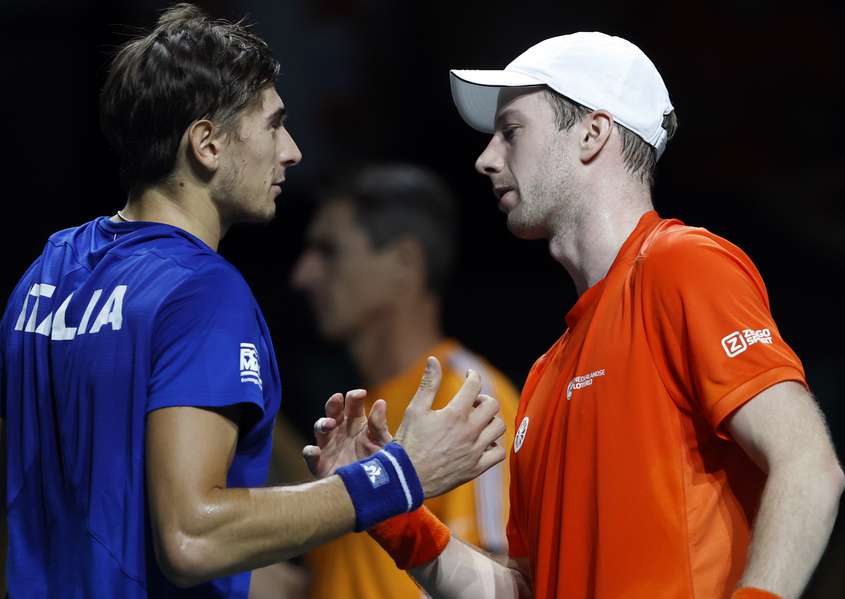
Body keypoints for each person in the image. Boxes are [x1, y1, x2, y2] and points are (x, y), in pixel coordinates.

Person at [305, 32, 845, 599]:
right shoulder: (546, 375)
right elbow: (525, 588)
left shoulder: (681, 265)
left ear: (593, 133)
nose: (486, 159)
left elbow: (809, 467)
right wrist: (390, 512)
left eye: (511, 132)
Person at [0, 5, 505, 598]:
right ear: (207, 144)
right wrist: (394, 477)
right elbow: (193, 538)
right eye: (273, 125)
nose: (290, 150)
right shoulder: (201, 292)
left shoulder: (45, 277)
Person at [283, 164, 519, 599]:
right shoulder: (351, 422)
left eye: (329, 250)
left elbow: (497, 585)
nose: (304, 275)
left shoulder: (470, 400)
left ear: (404, 263)